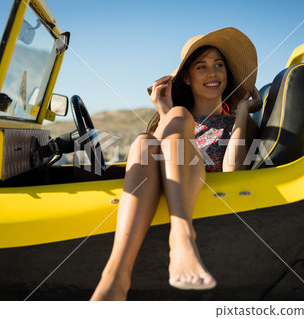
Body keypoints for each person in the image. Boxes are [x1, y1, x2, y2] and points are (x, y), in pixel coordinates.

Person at [90, 27, 261, 301]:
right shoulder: (173, 117)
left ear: (227, 75)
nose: (212, 73)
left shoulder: (242, 124)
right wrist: (165, 112)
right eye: (201, 67)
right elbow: (152, 157)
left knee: (170, 123)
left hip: (206, 194)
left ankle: (181, 235)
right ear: (188, 79)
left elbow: (233, 172)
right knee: (144, 141)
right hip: (158, 183)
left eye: (219, 65)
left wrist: (241, 112)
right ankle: (115, 276)